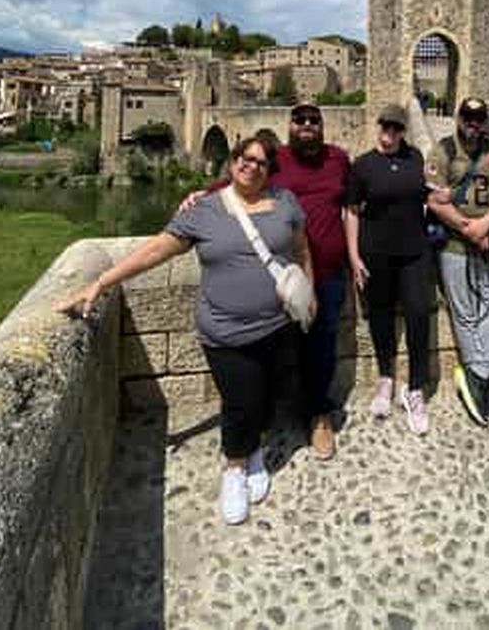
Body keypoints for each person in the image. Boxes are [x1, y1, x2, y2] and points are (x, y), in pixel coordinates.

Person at [56, 134, 312, 525]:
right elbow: (156, 250)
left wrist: (309, 292)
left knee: (267, 393)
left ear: (269, 169)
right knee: (241, 399)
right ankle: (235, 467)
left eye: (261, 162)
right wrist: (102, 282)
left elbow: (300, 246)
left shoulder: (285, 202)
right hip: (224, 330)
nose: (251, 165)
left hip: (279, 325)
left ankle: (255, 450)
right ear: (232, 161)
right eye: (245, 157)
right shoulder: (205, 209)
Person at [180, 105, 350, 461]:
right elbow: (240, 181)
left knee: (322, 346)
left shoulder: (339, 159)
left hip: (329, 274)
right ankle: (272, 415)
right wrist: (202, 194)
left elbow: (354, 204)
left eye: (313, 121)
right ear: (290, 126)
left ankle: (318, 415)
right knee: (279, 350)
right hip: (281, 277)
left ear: (322, 126)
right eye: (299, 120)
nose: (306, 125)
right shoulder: (277, 160)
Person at [344, 104, 434, 435]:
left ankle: (415, 389)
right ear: (378, 126)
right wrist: (354, 257)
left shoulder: (417, 159)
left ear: (403, 131)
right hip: (375, 254)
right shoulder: (362, 166)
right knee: (380, 316)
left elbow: (430, 194)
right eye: (386, 126)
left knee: (418, 314)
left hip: (414, 253)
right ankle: (386, 378)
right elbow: (352, 211)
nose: (389, 133)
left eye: (396, 128)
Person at [425, 97, 489, 426]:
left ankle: (476, 372)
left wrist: (486, 225)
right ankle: (480, 383)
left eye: (479, 117)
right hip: (455, 246)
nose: (473, 122)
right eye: (468, 116)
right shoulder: (443, 151)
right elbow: (434, 199)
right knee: (464, 313)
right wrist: (469, 228)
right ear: (458, 117)